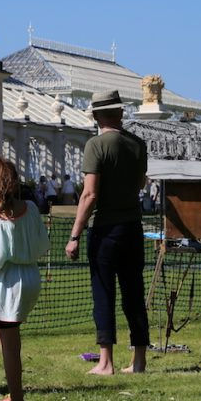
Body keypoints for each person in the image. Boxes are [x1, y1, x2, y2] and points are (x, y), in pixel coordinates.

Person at [65, 90, 150, 375]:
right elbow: (140, 184)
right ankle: (138, 361)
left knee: (103, 294)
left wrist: (75, 235)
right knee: (134, 294)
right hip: (133, 228)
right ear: (121, 113)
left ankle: (106, 362)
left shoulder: (95, 145)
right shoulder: (138, 145)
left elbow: (89, 194)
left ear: (96, 115)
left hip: (104, 229)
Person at [0, 157, 50, 401]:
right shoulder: (31, 208)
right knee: (6, 339)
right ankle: (13, 393)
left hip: (8, 285)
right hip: (30, 278)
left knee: (10, 347)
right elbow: (41, 245)